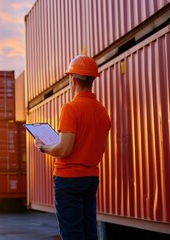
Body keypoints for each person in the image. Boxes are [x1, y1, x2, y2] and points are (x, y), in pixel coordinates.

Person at [34, 55, 111, 240]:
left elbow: (64, 149)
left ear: (73, 80)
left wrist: (43, 147)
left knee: (72, 234)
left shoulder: (71, 108)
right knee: (88, 231)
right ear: (92, 80)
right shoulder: (102, 111)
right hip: (90, 178)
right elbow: (101, 148)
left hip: (68, 180)